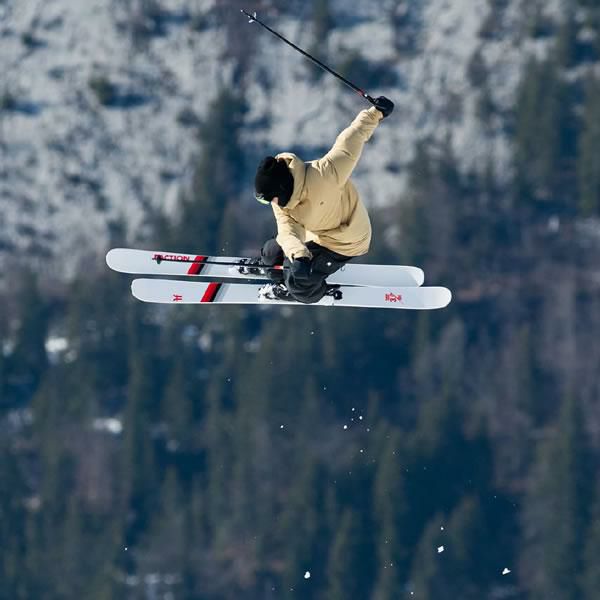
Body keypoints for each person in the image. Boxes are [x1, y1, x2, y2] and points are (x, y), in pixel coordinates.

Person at [250, 96, 394, 304]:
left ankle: (310, 290)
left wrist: (376, 112)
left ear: (282, 188)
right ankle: (282, 275)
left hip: (345, 241)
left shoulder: (325, 174)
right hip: (316, 235)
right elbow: (288, 231)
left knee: (300, 282)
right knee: (271, 254)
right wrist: (299, 256)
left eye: (268, 200)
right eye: (264, 202)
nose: (270, 204)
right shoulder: (281, 202)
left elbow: (352, 138)